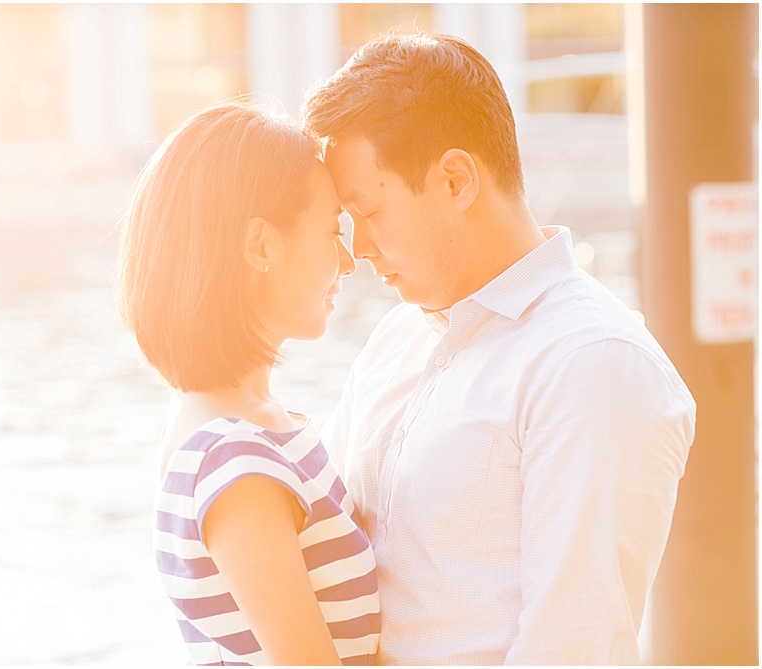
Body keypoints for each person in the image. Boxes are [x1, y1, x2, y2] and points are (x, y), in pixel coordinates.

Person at [302, 32, 696, 665]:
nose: (359, 249)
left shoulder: (593, 363)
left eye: (369, 212)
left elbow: (573, 645)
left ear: (456, 179)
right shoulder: (396, 338)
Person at [115, 100, 380, 665]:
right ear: (260, 245)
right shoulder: (234, 458)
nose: (349, 259)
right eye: (333, 230)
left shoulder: (233, 423)